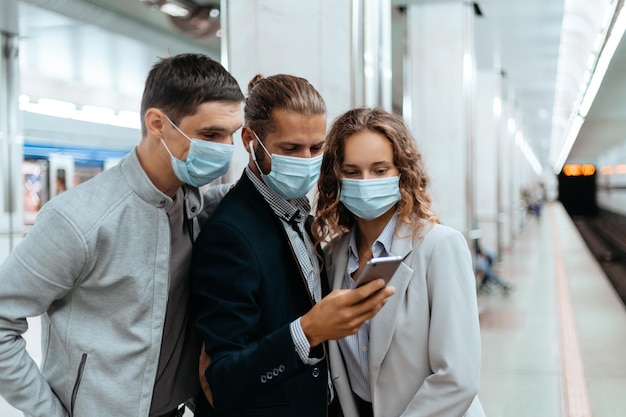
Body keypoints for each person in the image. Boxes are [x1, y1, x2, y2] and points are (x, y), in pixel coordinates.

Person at [0, 53, 244, 417]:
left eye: (232, 135)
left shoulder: (195, 207)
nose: (225, 149)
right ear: (157, 123)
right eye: (210, 135)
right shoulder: (79, 220)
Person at [191, 75, 395, 417]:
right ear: (249, 140)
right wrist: (308, 330)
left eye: (316, 148)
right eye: (290, 149)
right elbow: (223, 378)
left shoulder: (301, 215)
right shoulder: (229, 235)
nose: (306, 160)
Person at [313, 107, 486, 417]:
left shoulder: (439, 247)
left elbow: (457, 378)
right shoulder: (333, 256)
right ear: (336, 178)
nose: (365, 182)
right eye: (352, 172)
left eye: (380, 170)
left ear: (401, 174)